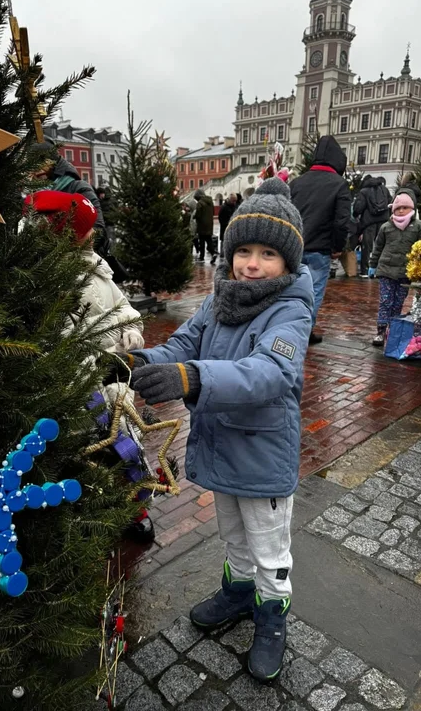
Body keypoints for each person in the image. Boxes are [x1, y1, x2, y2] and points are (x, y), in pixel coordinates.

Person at [114, 179, 313, 681]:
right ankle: (238, 591)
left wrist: (194, 378)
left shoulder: (290, 310)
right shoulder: (219, 299)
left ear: (288, 263)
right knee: (235, 536)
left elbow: (271, 371)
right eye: (243, 250)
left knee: (268, 546)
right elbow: (181, 346)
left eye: (267, 253)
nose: (251, 263)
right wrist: (137, 363)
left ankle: (271, 616)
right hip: (223, 445)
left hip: (263, 453)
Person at [23, 190, 154, 542]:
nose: (94, 233)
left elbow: (122, 305)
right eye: (87, 229)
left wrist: (130, 326)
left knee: (127, 446)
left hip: (111, 382)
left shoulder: (95, 265)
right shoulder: (46, 281)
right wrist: (108, 342)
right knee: (93, 454)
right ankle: (88, 516)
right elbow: (63, 338)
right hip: (79, 387)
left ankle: (136, 507)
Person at [290, 135, 351, 344]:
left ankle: (286, 328)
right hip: (320, 249)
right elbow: (342, 221)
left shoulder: (297, 182)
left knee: (290, 290)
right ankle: (303, 332)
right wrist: (337, 247)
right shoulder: (339, 185)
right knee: (312, 293)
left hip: (294, 247)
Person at [369, 191, 421, 347]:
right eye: (398, 208)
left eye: (405, 207)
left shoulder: (420, 227)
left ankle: (392, 329)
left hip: (405, 272)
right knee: (385, 301)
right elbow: (378, 247)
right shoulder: (386, 227)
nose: (401, 211)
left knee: (398, 303)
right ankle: (380, 331)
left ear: (412, 209)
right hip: (386, 270)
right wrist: (372, 264)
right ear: (393, 209)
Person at [32, 140, 109, 257]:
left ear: (52, 164)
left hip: (81, 261)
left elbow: (98, 230)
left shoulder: (78, 188)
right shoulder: (35, 195)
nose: (36, 171)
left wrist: (68, 249)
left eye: (40, 163)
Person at [353, 176, 392, 277]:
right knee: (381, 246)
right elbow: (390, 202)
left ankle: (365, 271)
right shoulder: (385, 189)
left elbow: (358, 208)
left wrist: (356, 216)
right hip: (383, 220)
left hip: (369, 222)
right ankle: (379, 270)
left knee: (367, 246)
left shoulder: (364, 191)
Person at [194, 189, 218, 264]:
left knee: (201, 241)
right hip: (209, 225)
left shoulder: (200, 203)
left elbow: (198, 214)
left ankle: (202, 257)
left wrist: (194, 216)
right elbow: (213, 213)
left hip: (201, 225)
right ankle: (213, 253)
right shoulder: (210, 202)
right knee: (209, 240)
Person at [218, 193, 238, 257]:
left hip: (233, 227)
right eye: (233, 201)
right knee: (224, 240)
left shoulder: (235, 206)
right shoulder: (224, 207)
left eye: (235, 201)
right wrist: (226, 224)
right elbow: (220, 218)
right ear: (230, 199)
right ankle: (223, 253)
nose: (234, 202)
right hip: (225, 227)